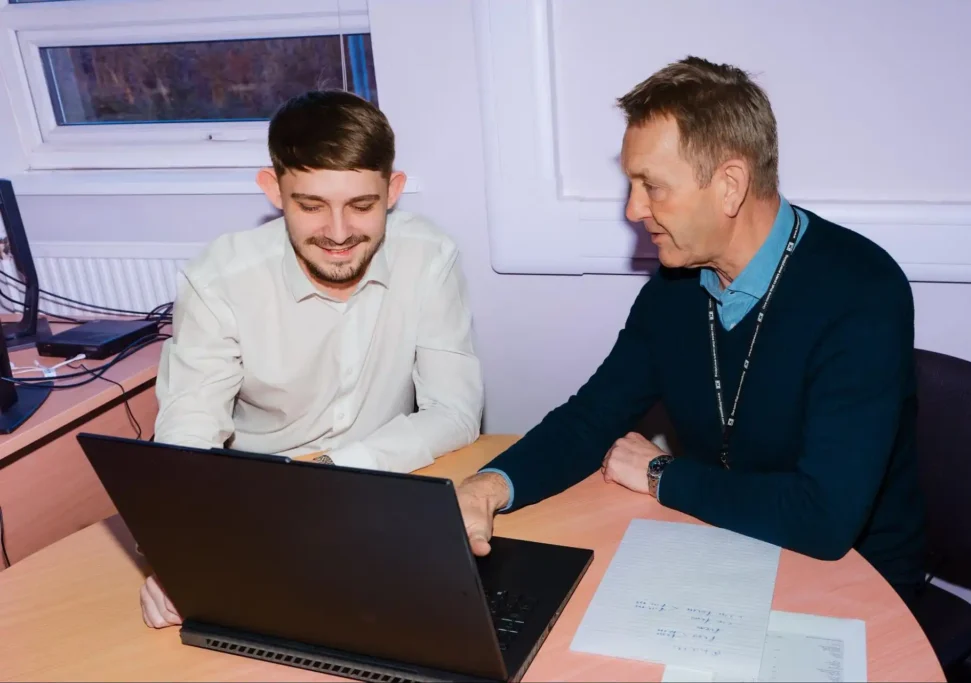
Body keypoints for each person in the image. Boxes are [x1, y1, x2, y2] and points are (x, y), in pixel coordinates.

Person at [456, 56, 926, 601]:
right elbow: (590, 419)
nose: (634, 209)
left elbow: (822, 518)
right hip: (723, 546)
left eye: (652, 186)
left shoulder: (862, 291)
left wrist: (662, 474)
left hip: (859, 582)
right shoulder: (676, 286)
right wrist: (487, 488)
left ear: (730, 185)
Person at [140, 89, 484, 628]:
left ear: (393, 191)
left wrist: (332, 473)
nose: (339, 234)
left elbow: (455, 412)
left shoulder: (429, 256)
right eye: (311, 205)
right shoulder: (220, 278)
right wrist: (181, 550)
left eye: (362, 206)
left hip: (387, 485)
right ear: (273, 190)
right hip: (256, 508)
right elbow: (189, 429)